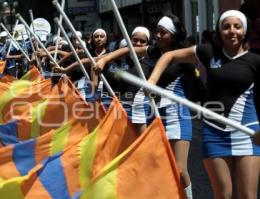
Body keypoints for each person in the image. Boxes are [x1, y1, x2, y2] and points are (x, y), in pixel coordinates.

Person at [147, 10, 260, 199]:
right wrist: (152, 80)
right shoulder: (208, 52)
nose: (232, 31)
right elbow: (170, 56)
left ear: (244, 31)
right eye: (226, 26)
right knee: (223, 195)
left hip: (247, 132)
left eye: (237, 26)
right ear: (219, 30)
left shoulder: (255, 61)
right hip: (214, 133)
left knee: (247, 196)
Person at [94, 15, 198, 198]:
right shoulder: (153, 52)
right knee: (159, 163)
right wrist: (104, 59)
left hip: (177, 115)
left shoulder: (183, 55)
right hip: (156, 115)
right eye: (156, 31)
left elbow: (199, 80)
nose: (157, 35)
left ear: (173, 35)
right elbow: (128, 50)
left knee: (180, 169)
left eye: (162, 32)